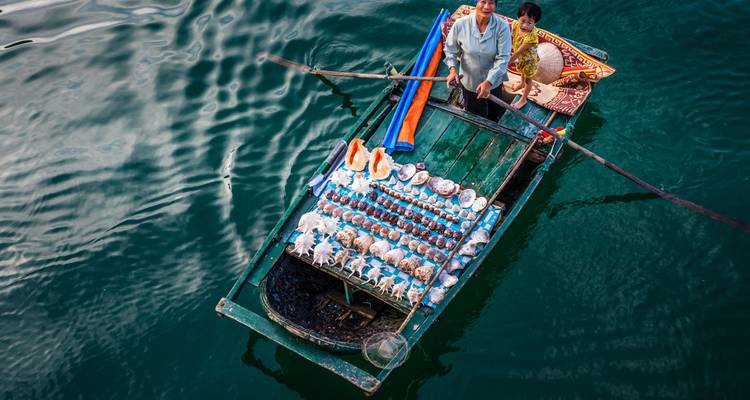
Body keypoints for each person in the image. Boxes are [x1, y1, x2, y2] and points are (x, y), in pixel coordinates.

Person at [444, 0, 512, 122]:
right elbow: (450, 50)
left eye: (491, 3)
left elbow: (503, 58)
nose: (486, 7)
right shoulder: (461, 24)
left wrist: (489, 82)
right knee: (474, 114)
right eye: (483, 2)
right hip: (470, 81)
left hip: (494, 83)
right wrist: (453, 70)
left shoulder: (502, 27)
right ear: (476, 2)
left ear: (495, 6)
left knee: (494, 112)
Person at [508, 2, 542, 109]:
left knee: (528, 79)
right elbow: (510, 38)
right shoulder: (515, 25)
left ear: (535, 23)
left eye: (529, 23)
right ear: (518, 18)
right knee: (521, 71)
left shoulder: (531, 37)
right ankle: (521, 83)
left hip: (529, 61)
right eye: (522, 21)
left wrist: (506, 63)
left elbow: (518, 53)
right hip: (521, 59)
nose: (524, 25)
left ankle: (523, 99)